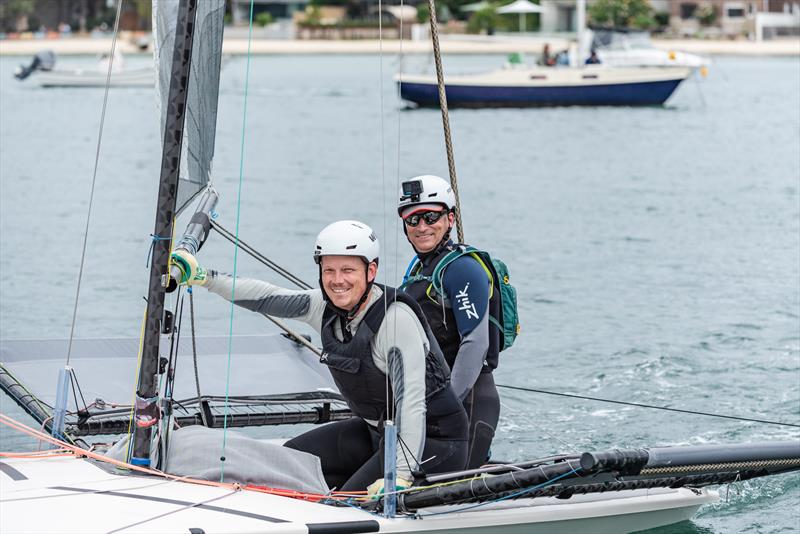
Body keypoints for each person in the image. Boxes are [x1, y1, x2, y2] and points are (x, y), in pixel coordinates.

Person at [171, 220, 468, 495]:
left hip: (433, 442)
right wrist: (203, 278)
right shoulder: (321, 306)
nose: (337, 281)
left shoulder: (395, 322)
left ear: (371, 271)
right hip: (375, 432)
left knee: (343, 503)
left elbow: (412, 405)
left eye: (348, 270)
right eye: (329, 270)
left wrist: (401, 476)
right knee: (285, 465)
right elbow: (267, 297)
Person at [397, 176, 501, 469]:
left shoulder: (462, 268)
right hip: (429, 403)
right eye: (413, 219)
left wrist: (445, 407)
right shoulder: (418, 270)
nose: (422, 226)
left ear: (450, 218)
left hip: (466, 405)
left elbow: (475, 344)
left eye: (431, 216)